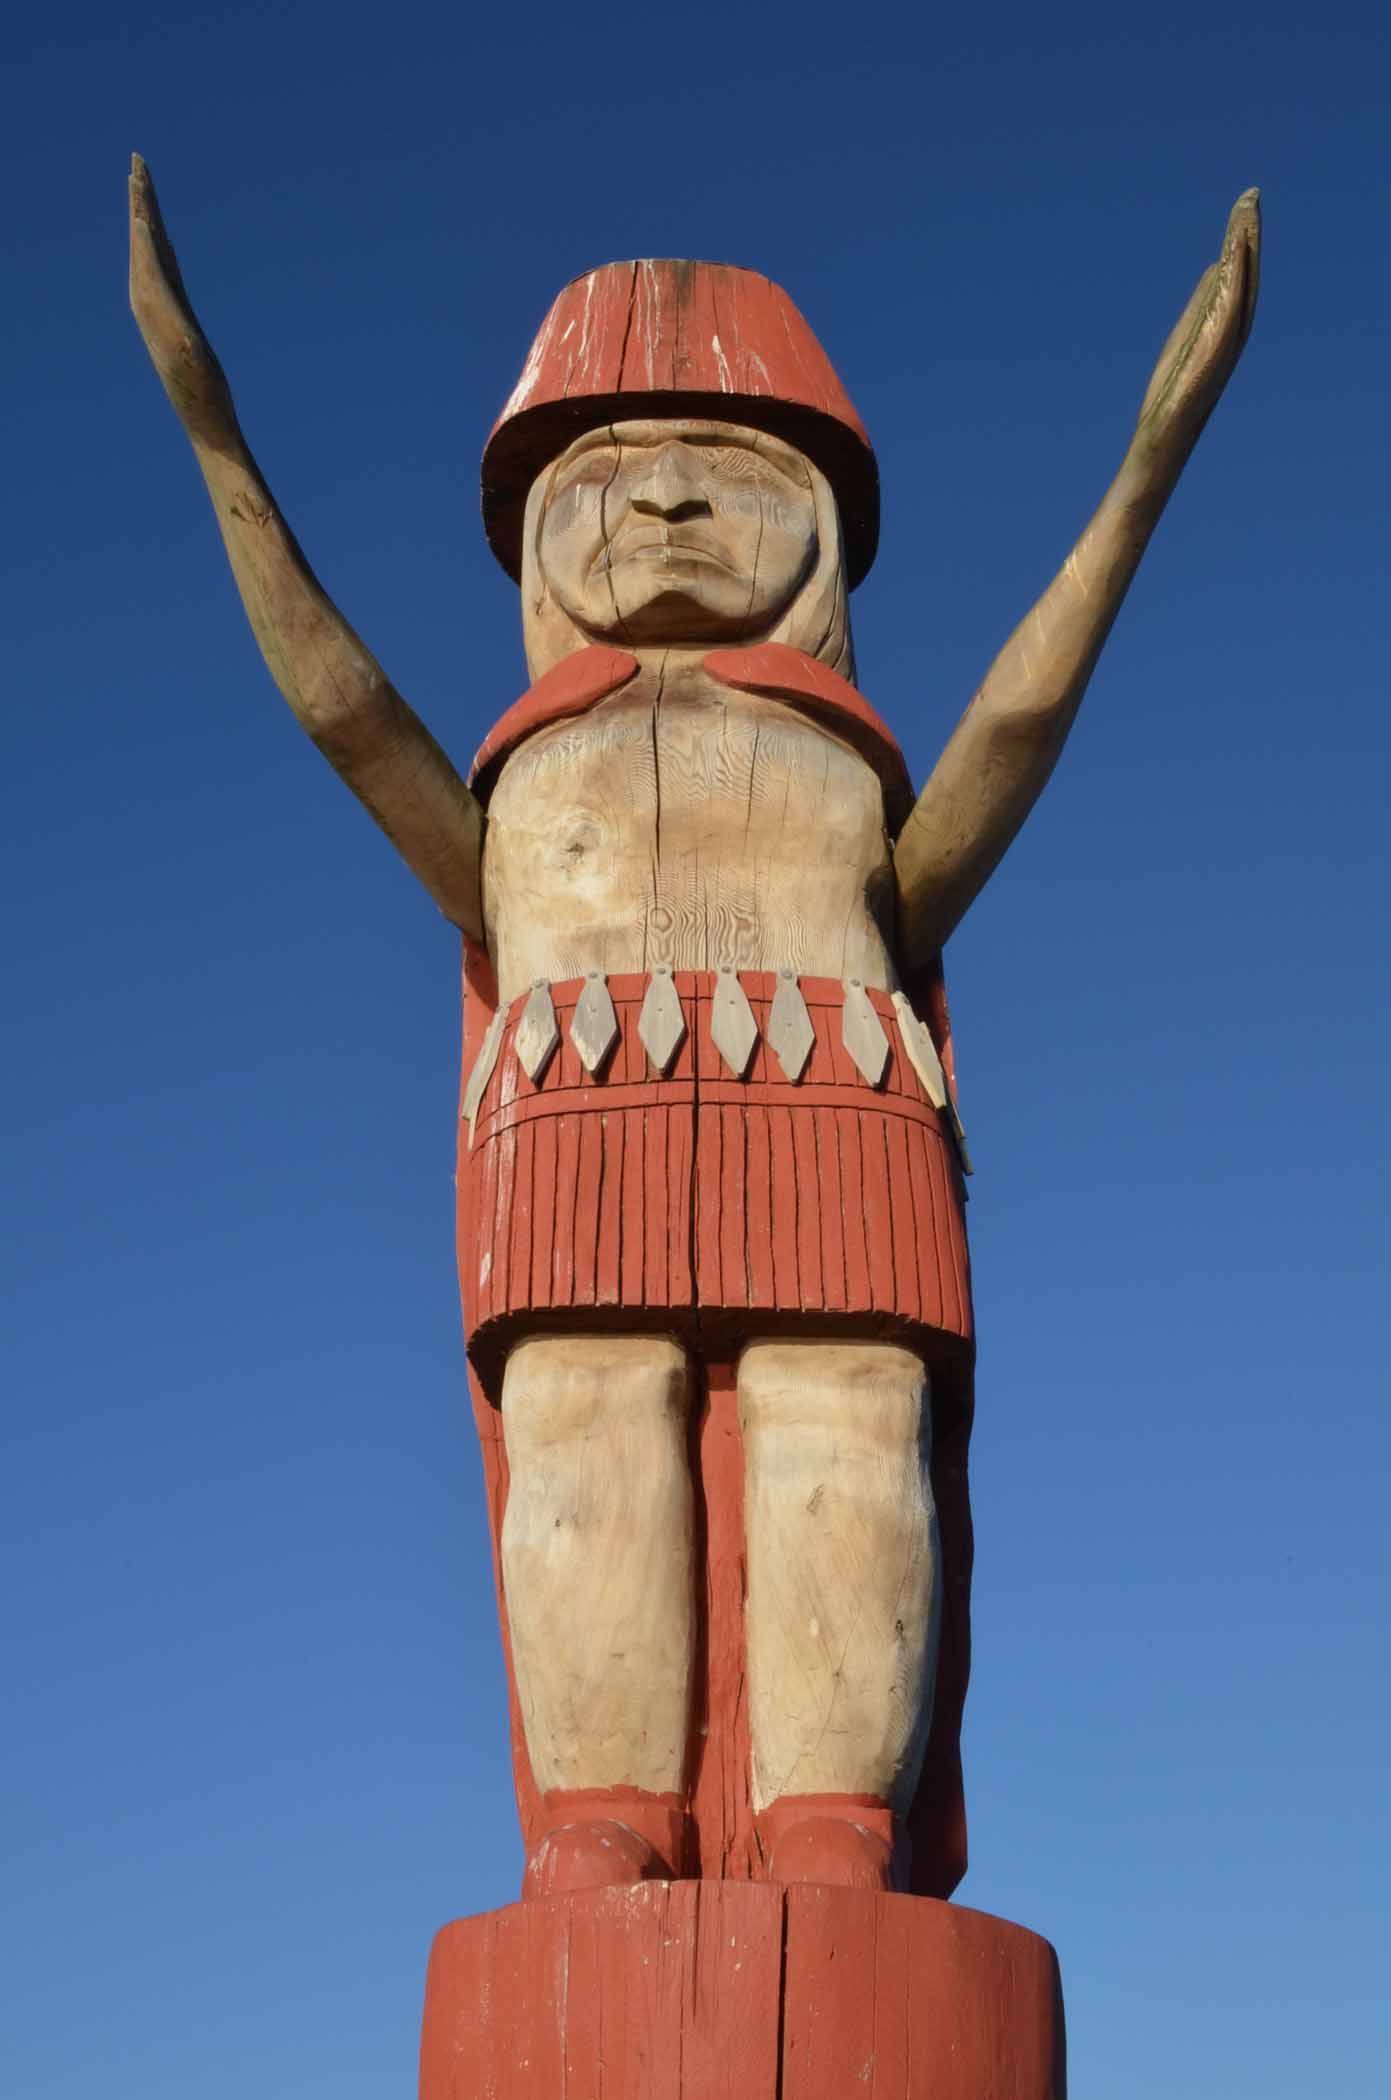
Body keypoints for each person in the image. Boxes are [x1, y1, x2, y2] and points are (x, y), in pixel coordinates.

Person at [129, 163, 1259, 1897]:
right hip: (581, 1103)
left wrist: (1144, 471)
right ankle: (604, 1817)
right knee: (585, 1419)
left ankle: (832, 1820)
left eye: (727, 467)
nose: (662, 495)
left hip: (837, 1100)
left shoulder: (848, 764)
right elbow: (348, 712)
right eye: (603, 469)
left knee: (848, 1426)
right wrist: (211, 429)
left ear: (813, 511)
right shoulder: (522, 776)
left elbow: (1015, 729)